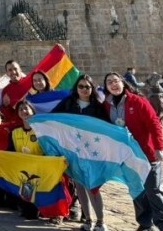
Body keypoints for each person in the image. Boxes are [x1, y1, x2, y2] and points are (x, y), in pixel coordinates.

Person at [103, 72, 163, 231]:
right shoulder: (106, 105)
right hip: (127, 156)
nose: (113, 84)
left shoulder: (138, 101)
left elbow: (154, 123)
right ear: (106, 87)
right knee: (136, 189)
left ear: (123, 83)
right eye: (109, 82)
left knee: (154, 190)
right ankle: (145, 223)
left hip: (146, 153)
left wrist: (159, 147)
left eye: (116, 81)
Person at [52, 75, 109, 230]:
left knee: (92, 185)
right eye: (81, 86)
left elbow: (106, 127)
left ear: (92, 89)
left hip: (92, 152)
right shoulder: (68, 103)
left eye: (87, 87)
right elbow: (53, 118)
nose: (84, 89)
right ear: (76, 88)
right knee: (79, 185)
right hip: (73, 150)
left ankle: (100, 221)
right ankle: (88, 220)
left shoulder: (98, 106)